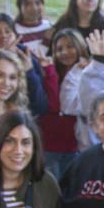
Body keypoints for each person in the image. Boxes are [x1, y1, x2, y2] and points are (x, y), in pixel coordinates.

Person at [36, 27, 84, 179]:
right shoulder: (49, 71)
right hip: (49, 144)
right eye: (59, 49)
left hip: (75, 144)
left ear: (80, 47)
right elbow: (56, 105)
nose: (65, 52)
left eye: (70, 46)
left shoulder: (88, 73)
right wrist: (49, 72)